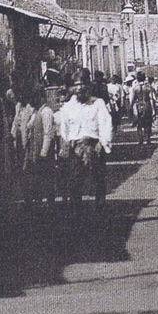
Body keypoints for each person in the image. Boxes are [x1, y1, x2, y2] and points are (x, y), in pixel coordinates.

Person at [58, 69, 114, 211]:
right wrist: (65, 146)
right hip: (75, 147)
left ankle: (100, 209)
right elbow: (63, 129)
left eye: (83, 84)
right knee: (75, 183)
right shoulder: (67, 108)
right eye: (76, 85)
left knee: (99, 180)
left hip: (94, 145)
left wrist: (103, 143)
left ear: (88, 86)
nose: (80, 88)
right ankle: (77, 213)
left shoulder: (98, 104)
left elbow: (106, 124)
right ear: (72, 88)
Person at [130, 71, 157, 145]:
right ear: (144, 78)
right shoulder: (148, 87)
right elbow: (151, 98)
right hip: (147, 105)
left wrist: (131, 107)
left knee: (139, 123)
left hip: (138, 105)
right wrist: (154, 110)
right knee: (148, 123)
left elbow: (132, 99)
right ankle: (148, 139)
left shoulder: (135, 87)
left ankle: (140, 139)